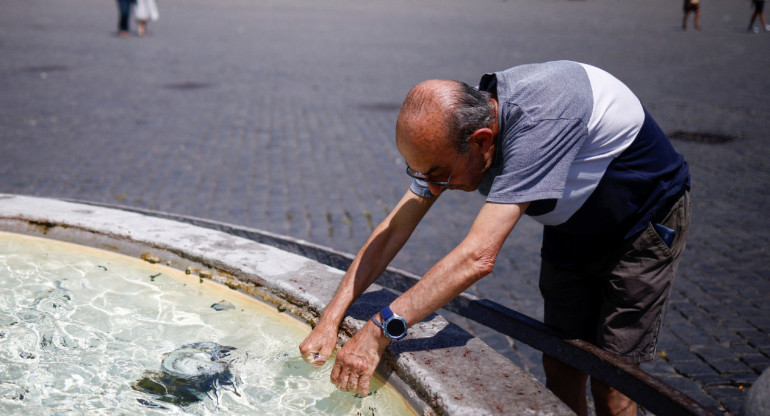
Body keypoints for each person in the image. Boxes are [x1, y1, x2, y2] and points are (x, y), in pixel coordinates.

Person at [299, 61, 691, 416]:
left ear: (484, 141)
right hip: (571, 224)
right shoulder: (462, 129)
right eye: (418, 172)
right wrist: (330, 320)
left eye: (438, 173)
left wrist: (378, 331)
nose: (432, 185)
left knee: (612, 379)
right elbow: (392, 230)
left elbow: (477, 257)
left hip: (640, 226)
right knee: (561, 362)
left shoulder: (539, 123)